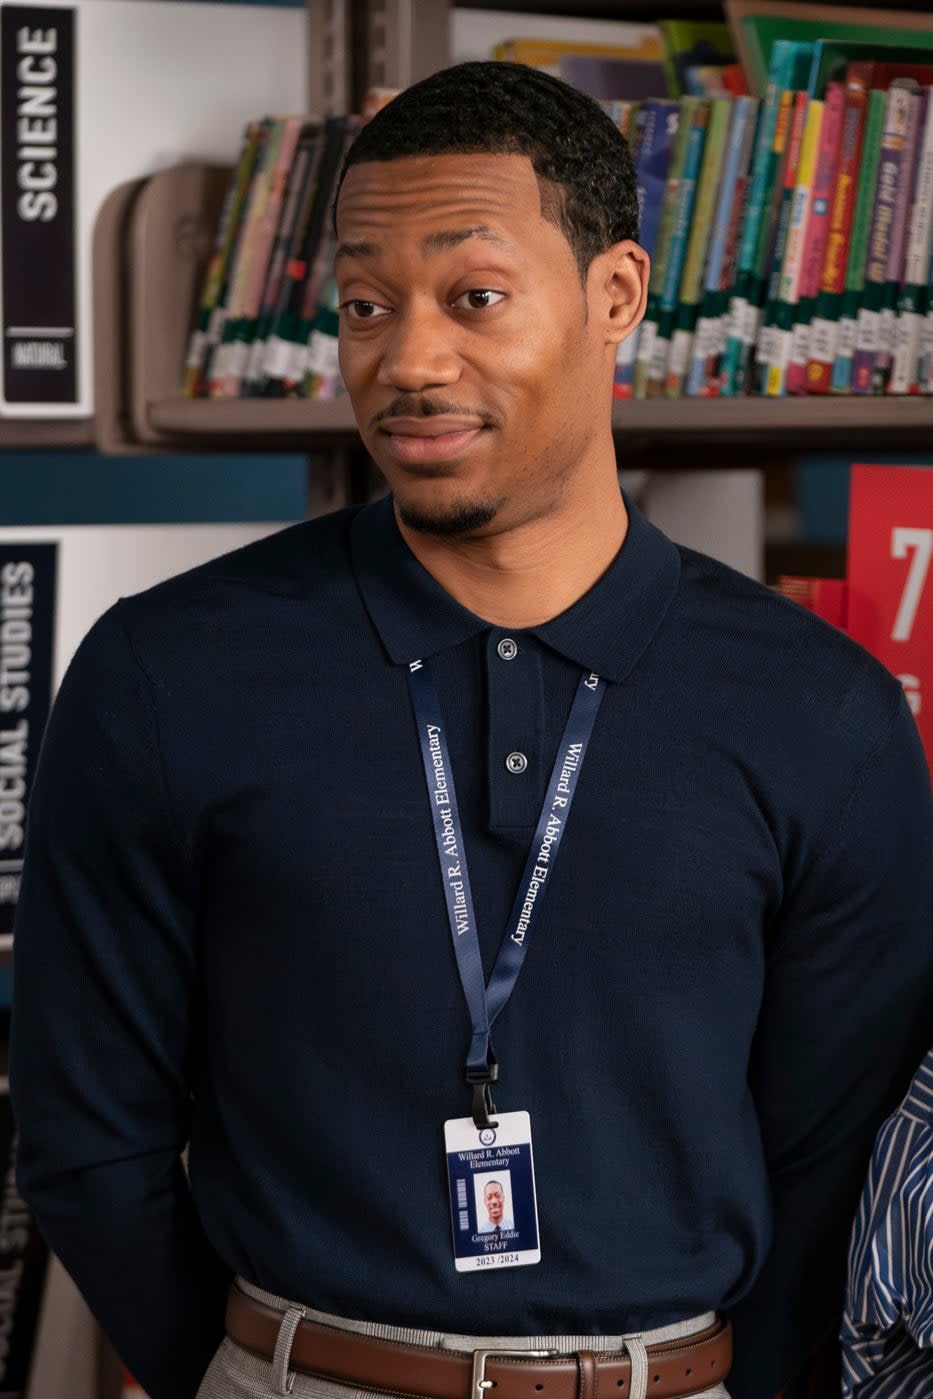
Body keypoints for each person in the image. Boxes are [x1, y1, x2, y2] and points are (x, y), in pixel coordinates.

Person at [9, 60, 933, 1399]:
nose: (407, 359)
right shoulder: (167, 671)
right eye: (365, 304)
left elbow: (834, 1167)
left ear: (614, 297)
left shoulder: (822, 711)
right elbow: (88, 1134)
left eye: (474, 297)